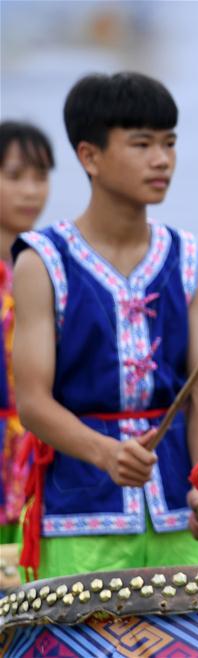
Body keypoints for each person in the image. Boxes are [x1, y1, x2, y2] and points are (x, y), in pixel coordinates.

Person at [11, 72, 198, 581]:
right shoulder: (43, 261)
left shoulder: (192, 260)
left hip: (178, 508)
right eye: (142, 144)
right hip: (80, 516)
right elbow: (34, 404)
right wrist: (106, 454)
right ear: (90, 156)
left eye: (169, 143)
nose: (162, 159)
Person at [0, 120, 54, 544]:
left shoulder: (48, 268)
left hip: (38, 451)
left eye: (40, 176)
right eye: (15, 176)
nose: (31, 191)